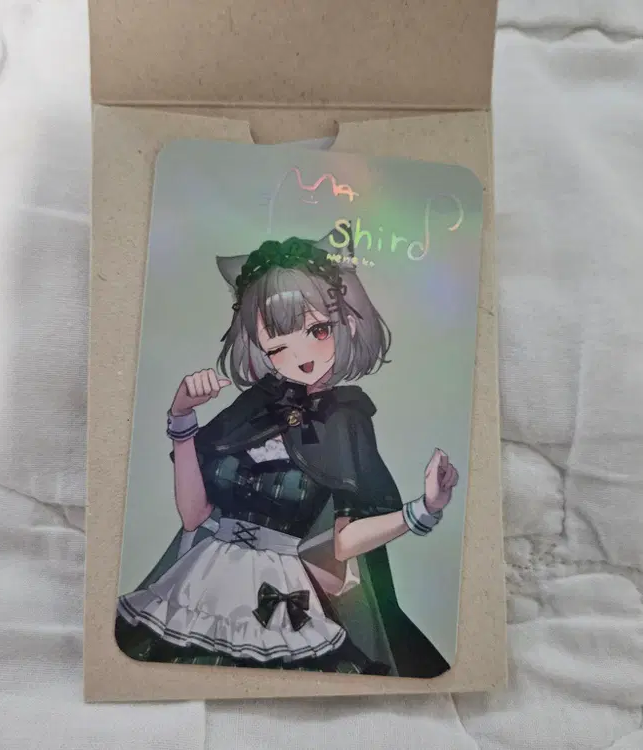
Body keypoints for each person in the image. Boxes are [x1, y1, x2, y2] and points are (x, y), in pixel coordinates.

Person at [115, 223, 459, 677]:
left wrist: (425, 509)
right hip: (202, 580)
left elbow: (342, 541)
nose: (300, 355)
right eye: (278, 346)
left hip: (283, 591)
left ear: (347, 323)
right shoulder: (252, 406)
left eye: (317, 330)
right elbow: (194, 515)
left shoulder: (345, 420)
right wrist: (181, 419)